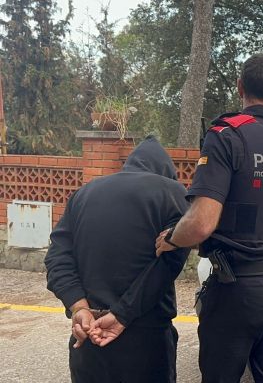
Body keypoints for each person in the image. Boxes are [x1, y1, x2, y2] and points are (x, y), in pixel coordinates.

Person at [155, 53, 263, 383]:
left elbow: (201, 223)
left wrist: (171, 237)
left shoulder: (227, 135)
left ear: (240, 86)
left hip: (238, 289)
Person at [44, 137, 190, 383]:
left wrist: (79, 307)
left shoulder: (84, 194)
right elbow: (166, 266)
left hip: (88, 335)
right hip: (146, 339)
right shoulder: (173, 193)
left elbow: (57, 257)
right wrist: (122, 315)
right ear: (167, 172)